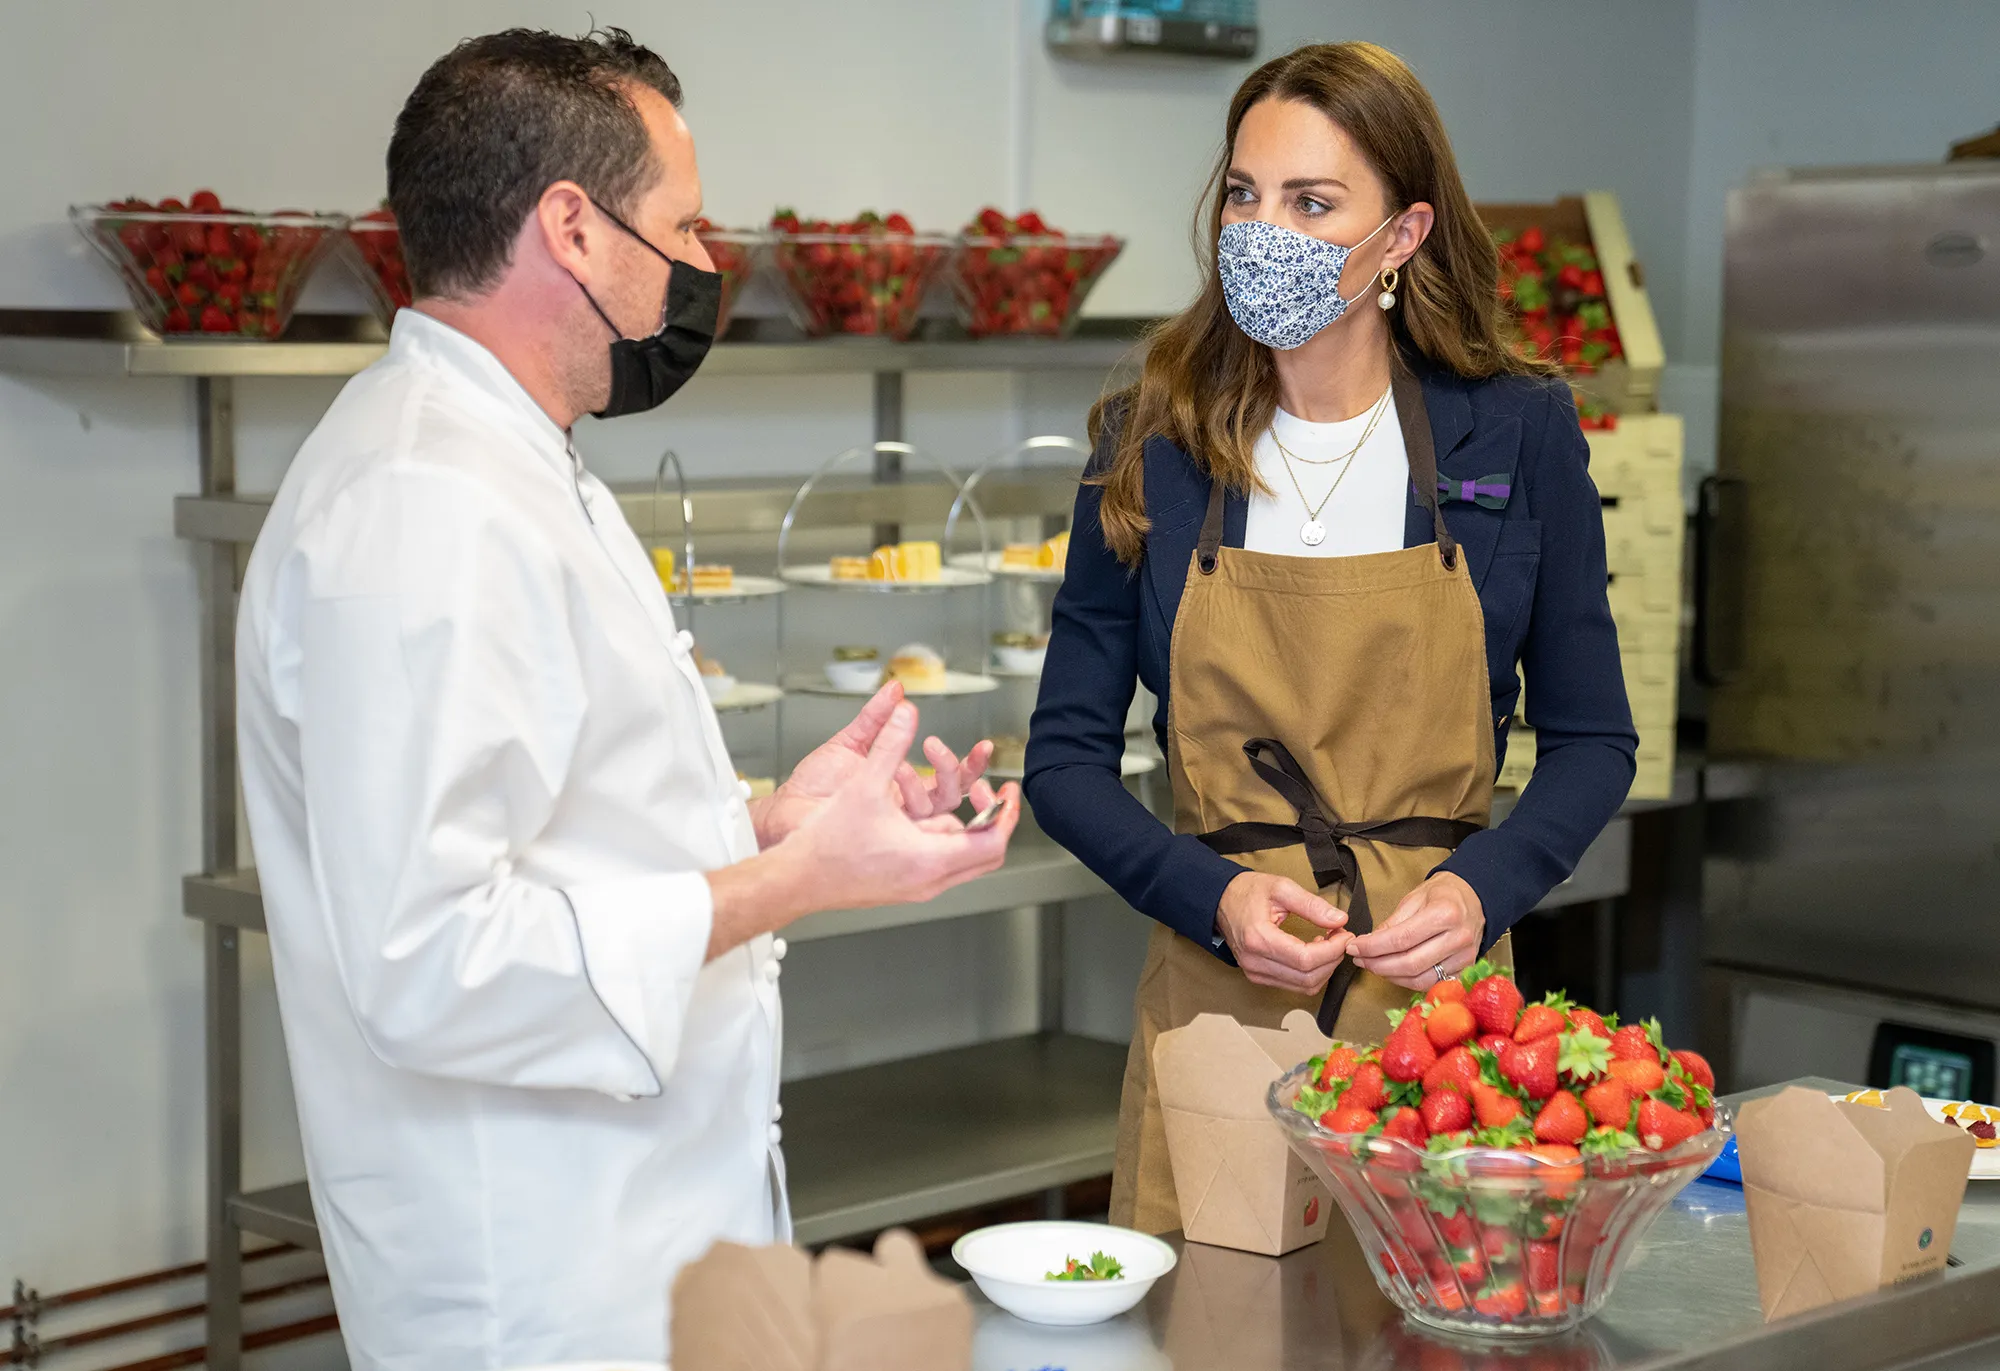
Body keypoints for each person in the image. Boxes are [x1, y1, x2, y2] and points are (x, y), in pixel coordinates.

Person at [234, 28, 1020, 1371]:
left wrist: (772, 825)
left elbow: (562, 823)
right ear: (575, 231)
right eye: (684, 223)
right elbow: (431, 962)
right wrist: (793, 885)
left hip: (632, 1243)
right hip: (534, 1284)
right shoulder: (423, 505)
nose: (705, 263)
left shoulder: (516, 456)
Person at [1023, 41, 1636, 1233]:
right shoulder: (1145, 436)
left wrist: (1483, 888)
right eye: (1244, 196)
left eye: (1311, 204)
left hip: (1436, 1007)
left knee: (1425, 1322)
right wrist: (1208, 897)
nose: (1264, 231)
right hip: (1217, 998)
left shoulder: (1514, 432)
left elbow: (1592, 738)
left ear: (1400, 237)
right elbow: (1060, 760)